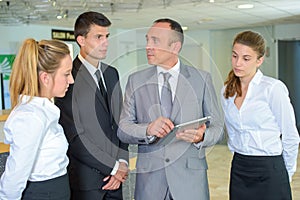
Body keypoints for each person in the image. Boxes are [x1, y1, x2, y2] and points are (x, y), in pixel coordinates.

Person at [117, 18, 224, 200]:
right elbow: (123, 129)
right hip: (150, 182)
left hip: (190, 181)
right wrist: (148, 129)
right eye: (147, 40)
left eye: (155, 41)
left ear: (175, 47)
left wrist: (202, 136)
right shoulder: (135, 81)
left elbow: (219, 127)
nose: (148, 46)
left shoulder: (201, 79)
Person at [54, 11, 129, 200]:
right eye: (98, 37)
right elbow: (75, 138)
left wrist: (122, 163)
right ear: (81, 40)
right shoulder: (67, 79)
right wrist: (112, 168)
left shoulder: (112, 74)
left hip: (116, 180)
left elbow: (120, 123)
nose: (105, 42)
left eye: (107, 36)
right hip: (87, 183)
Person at [221, 30, 300, 200]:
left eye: (246, 58)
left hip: (270, 169)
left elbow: (290, 135)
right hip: (240, 167)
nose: (238, 63)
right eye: (235, 56)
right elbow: (232, 131)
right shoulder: (227, 91)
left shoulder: (272, 88)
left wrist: (286, 173)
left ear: (259, 60)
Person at [0, 38, 73, 199]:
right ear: (45, 78)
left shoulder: (44, 111)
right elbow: (15, 176)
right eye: (66, 74)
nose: (71, 80)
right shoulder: (30, 117)